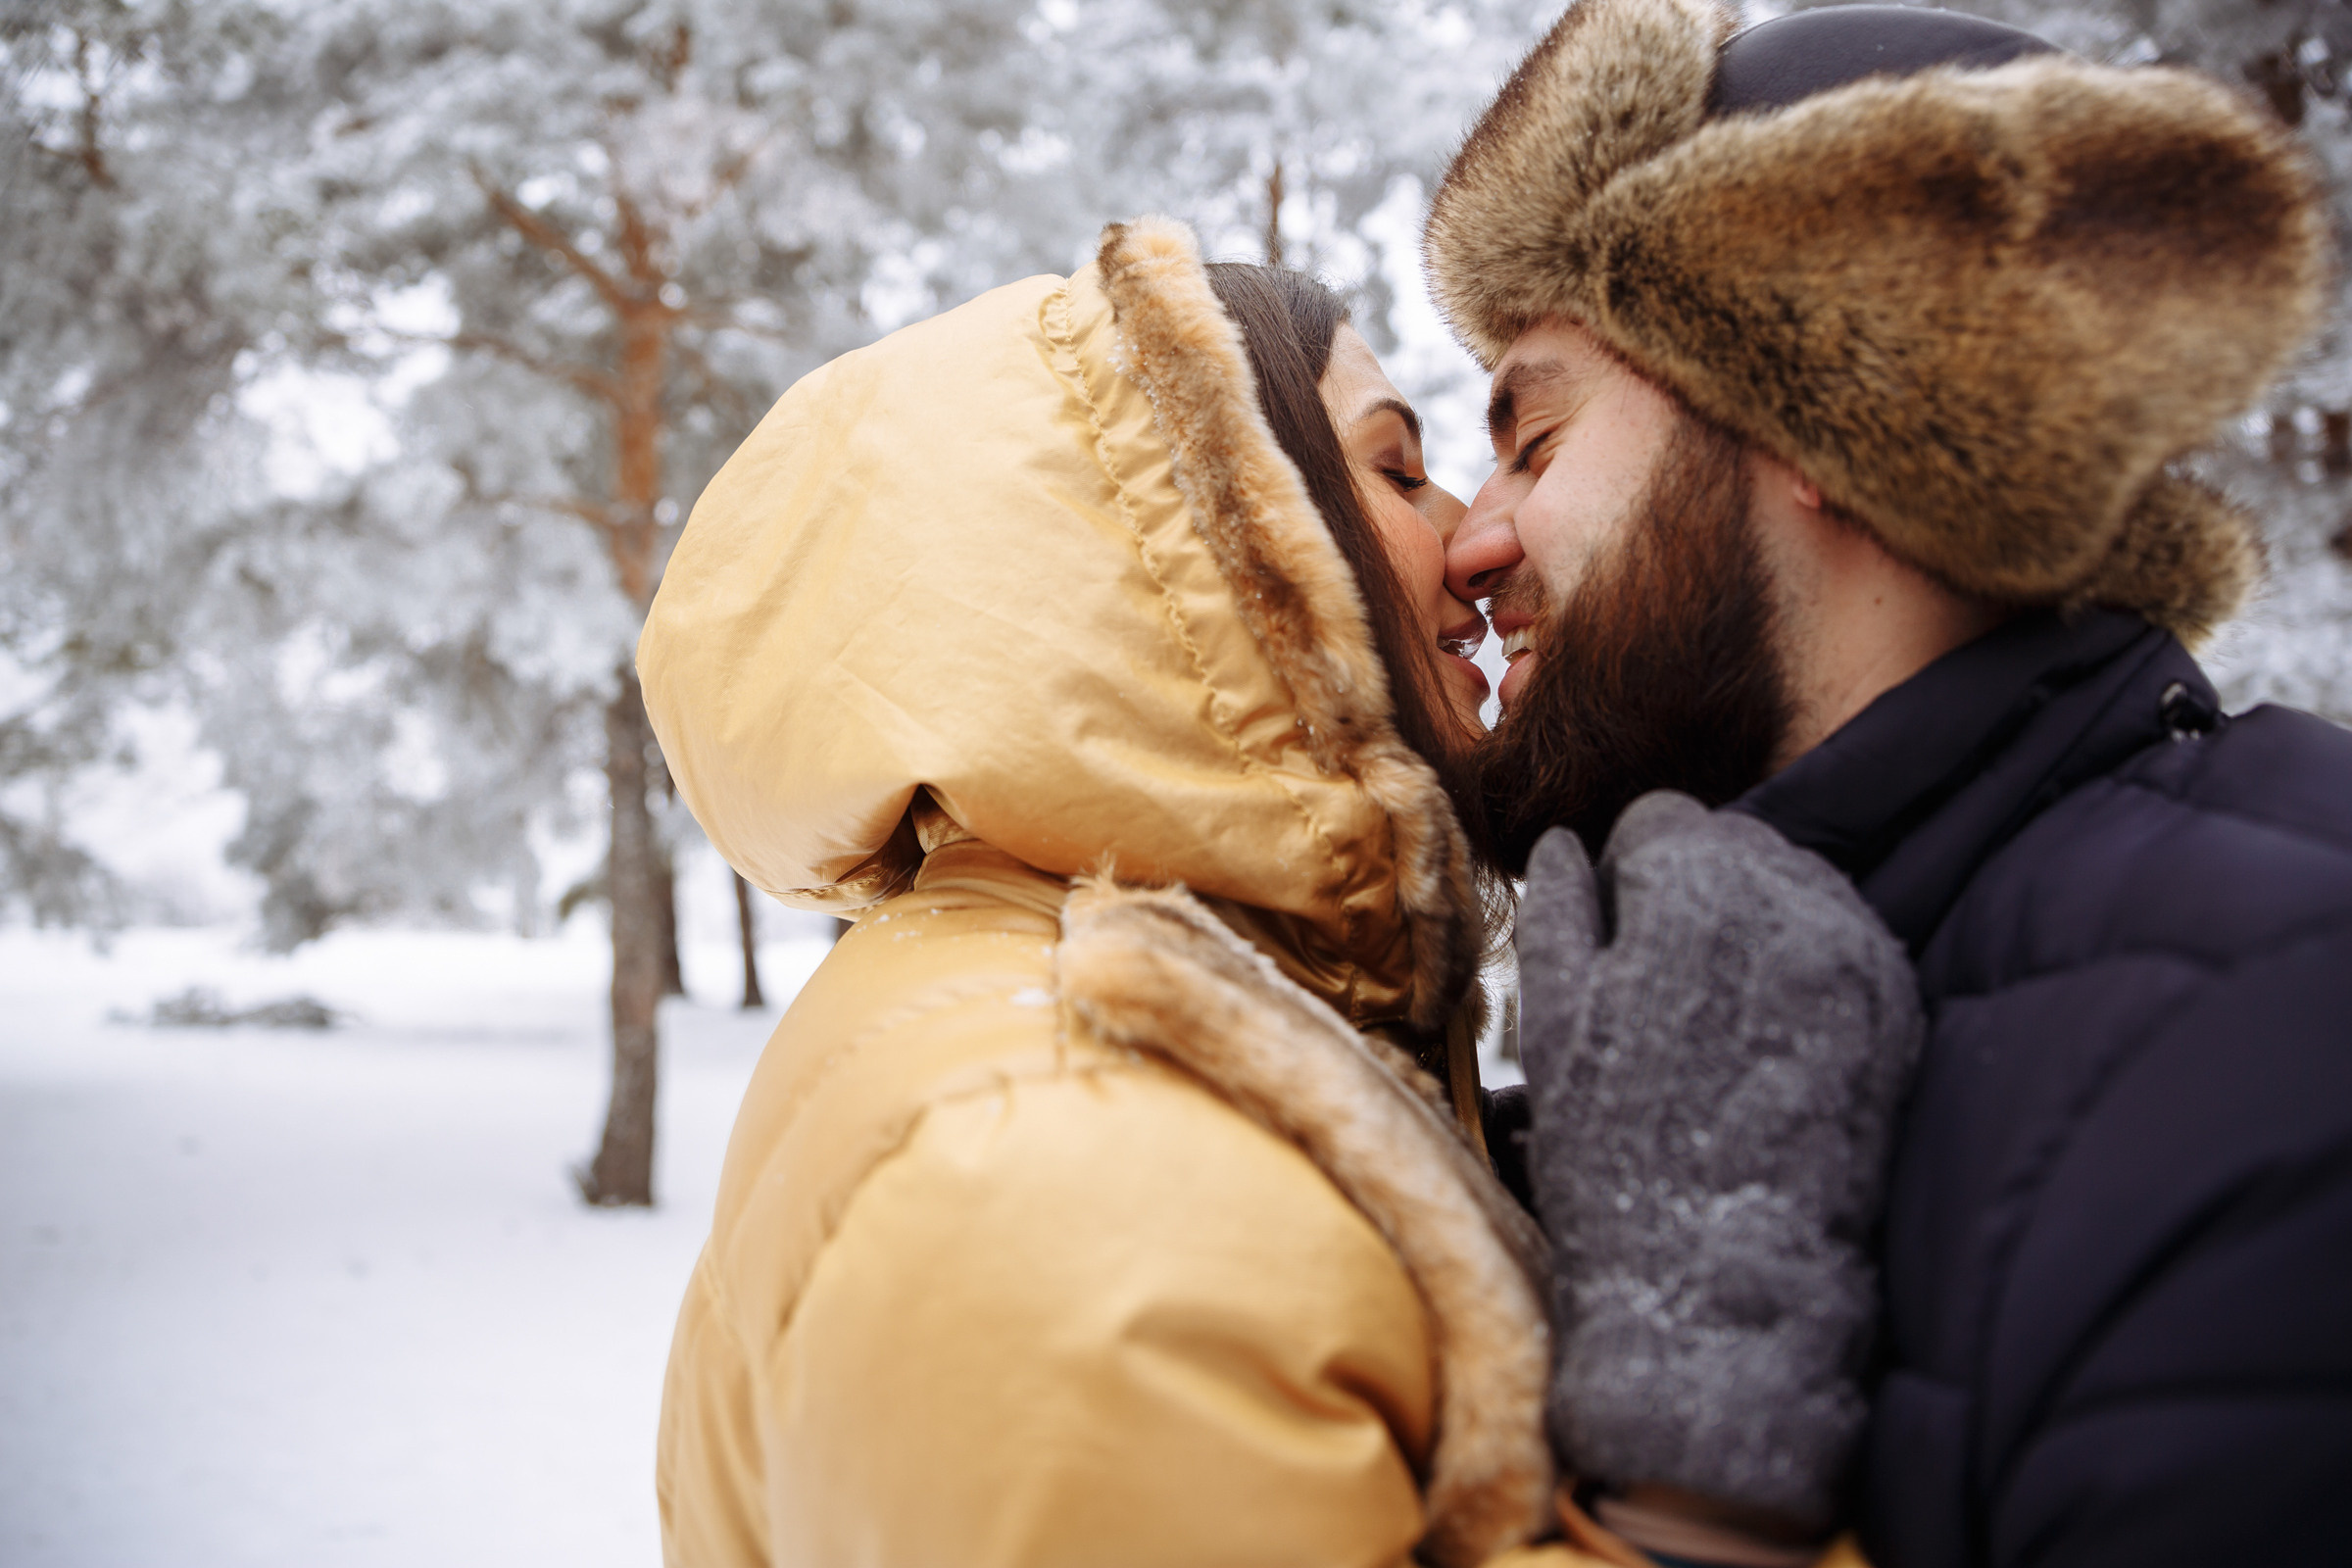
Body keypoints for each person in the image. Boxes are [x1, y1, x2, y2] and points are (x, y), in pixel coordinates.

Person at [1427, 3, 2352, 1565]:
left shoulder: (2275, 1008)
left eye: (1535, 434)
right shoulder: (1709, 997)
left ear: (1829, 387)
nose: (1473, 540)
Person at [640, 217, 1554, 1567]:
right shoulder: (1062, 1160)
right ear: (1201, 548)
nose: (1473, 537)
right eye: (1396, 468)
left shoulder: (1118, 1017)